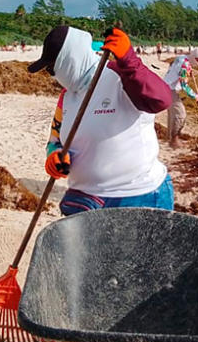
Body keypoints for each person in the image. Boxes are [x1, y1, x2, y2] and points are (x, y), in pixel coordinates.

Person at [28, 25, 173, 215]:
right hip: (87, 199)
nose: (52, 75)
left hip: (138, 194)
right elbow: (55, 139)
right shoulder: (67, 96)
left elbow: (161, 100)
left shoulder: (120, 75)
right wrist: (53, 156)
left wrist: (130, 61)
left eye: (51, 68)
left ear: (68, 60)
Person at [163, 47, 198, 148]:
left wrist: (189, 70)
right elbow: (184, 85)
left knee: (172, 114)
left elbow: (173, 65)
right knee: (180, 114)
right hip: (170, 89)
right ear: (193, 58)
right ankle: (174, 139)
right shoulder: (185, 65)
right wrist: (196, 97)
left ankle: (169, 139)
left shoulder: (182, 58)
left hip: (165, 86)